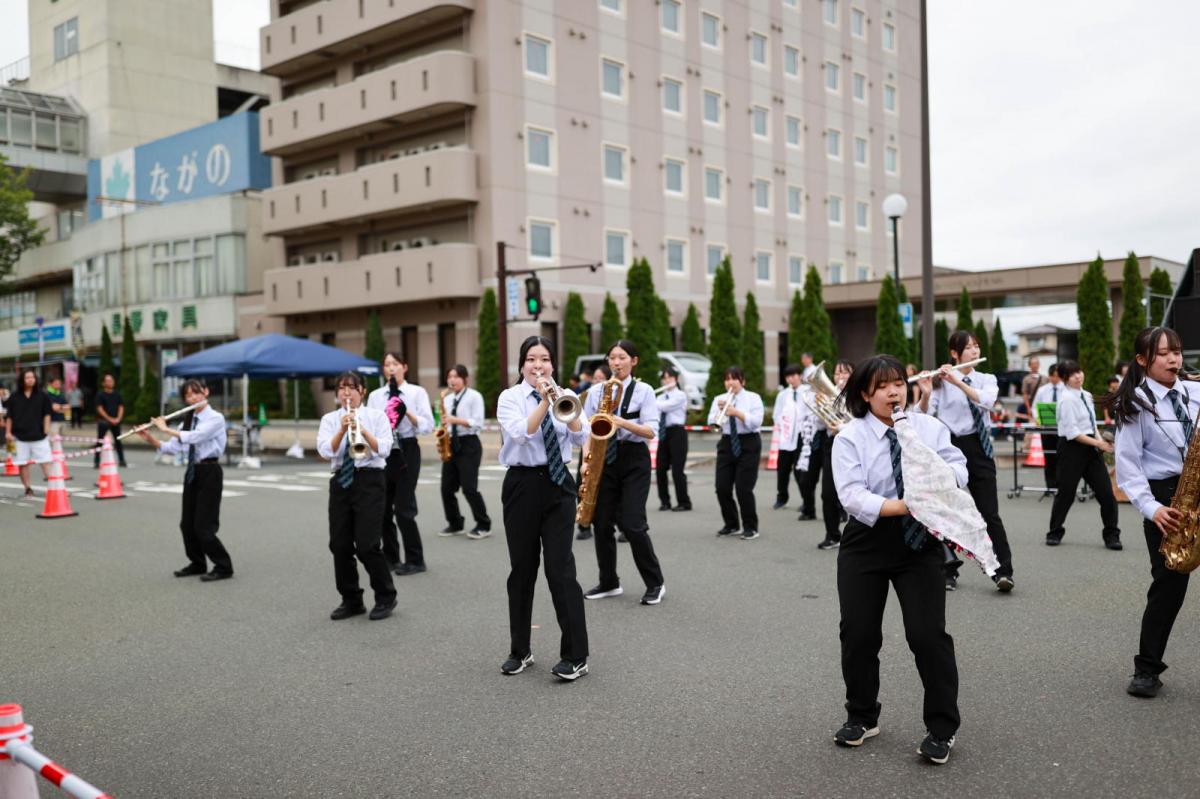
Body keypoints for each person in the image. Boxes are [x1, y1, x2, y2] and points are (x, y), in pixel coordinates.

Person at [831, 354, 966, 764]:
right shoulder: (849, 437)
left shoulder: (928, 427)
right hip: (867, 540)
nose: (894, 392)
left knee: (927, 636)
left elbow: (958, 468)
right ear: (864, 394)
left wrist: (938, 481)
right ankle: (861, 716)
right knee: (858, 634)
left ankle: (942, 728)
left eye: (899, 384)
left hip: (919, 541)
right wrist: (909, 503)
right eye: (883, 386)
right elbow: (852, 496)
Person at [1108, 327, 1199, 698]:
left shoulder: (1194, 391)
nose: (1174, 359)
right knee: (1169, 587)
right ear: (1143, 360)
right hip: (1168, 499)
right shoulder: (1135, 404)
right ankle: (1146, 668)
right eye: (1163, 353)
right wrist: (1153, 508)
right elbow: (1128, 467)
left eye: (1176, 351)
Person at [496, 335, 590, 681]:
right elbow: (521, 433)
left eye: (545, 359)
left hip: (558, 483)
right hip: (521, 485)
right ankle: (520, 651)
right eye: (532, 359)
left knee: (561, 570)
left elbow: (582, 437)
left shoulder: (567, 395)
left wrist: (565, 406)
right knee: (522, 571)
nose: (539, 365)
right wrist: (545, 401)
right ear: (522, 364)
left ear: (553, 363)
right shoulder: (510, 397)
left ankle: (576, 656)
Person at [916, 330, 1015, 592]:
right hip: (949, 448)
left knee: (989, 513)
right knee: (946, 510)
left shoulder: (986, 379)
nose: (974, 351)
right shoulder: (940, 382)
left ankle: (1002, 571)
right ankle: (948, 568)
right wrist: (925, 392)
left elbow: (987, 401)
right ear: (954, 353)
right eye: (968, 347)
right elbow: (922, 415)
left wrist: (958, 380)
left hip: (979, 447)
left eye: (976, 346)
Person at [582, 340, 666, 605]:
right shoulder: (596, 391)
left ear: (634, 361)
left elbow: (651, 431)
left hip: (634, 459)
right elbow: (586, 428)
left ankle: (655, 582)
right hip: (604, 458)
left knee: (632, 524)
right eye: (612, 358)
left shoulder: (644, 391)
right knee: (601, 522)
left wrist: (621, 422)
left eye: (622, 357)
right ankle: (609, 582)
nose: (616, 363)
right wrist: (586, 459)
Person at [315, 372, 398, 621]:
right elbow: (325, 451)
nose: (346, 393)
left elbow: (384, 449)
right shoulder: (330, 419)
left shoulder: (376, 416)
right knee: (339, 545)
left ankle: (386, 596)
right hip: (341, 480)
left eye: (351, 387)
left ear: (362, 391)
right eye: (341, 388)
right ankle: (351, 599)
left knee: (367, 545)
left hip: (370, 479)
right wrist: (342, 430)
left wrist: (362, 429)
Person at [136, 379, 234, 581]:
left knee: (203, 526)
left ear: (205, 392)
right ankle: (198, 563)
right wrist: (150, 438)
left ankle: (224, 566)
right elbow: (173, 448)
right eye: (188, 395)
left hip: (210, 471)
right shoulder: (187, 421)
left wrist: (164, 428)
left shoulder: (215, 418)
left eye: (196, 393)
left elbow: (196, 437)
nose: (193, 398)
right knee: (186, 524)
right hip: (192, 472)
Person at [367, 352, 434, 576]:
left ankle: (415, 559)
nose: (391, 368)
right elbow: (371, 424)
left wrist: (409, 414)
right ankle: (391, 557)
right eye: (387, 364)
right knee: (383, 508)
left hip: (407, 449)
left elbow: (428, 426)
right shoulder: (376, 396)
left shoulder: (416, 392)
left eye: (395, 364)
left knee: (404, 508)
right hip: (385, 449)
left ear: (404, 367)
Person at [1045, 361, 1120, 550]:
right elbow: (1073, 433)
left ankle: (1112, 535)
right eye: (1072, 374)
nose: (1078, 376)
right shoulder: (1066, 399)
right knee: (1066, 494)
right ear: (1064, 379)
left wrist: (1100, 441)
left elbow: (1091, 424)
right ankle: (1054, 532)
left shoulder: (1086, 395)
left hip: (1090, 447)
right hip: (1071, 448)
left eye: (1079, 371)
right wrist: (1099, 443)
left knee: (1106, 494)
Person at [708, 366, 765, 540]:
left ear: (742, 381)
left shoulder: (753, 398)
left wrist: (737, 412)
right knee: (722, 487)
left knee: (743, 488)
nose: (730, 382)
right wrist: (721, 412)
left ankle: (751, 527)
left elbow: (756, 422)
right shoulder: (719, 399)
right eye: (727, 379)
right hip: (726, 443)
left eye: (734, 378)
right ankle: (731, 524)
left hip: (749, 442)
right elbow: (711, 422)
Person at [438, 364, 492, 539]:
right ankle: (455, 523)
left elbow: (478, 422)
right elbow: (445, 422)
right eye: (449, 377)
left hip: (469, 444)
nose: (452, 380)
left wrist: (456, 420)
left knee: (469, 488)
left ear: (465, 378)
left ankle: (484, 524)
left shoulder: (474, 396)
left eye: (456, 376)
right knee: (446, 488)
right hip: (451, 443)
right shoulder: (447, 399)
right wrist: (443, 428)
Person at [818, 360, 854, 550]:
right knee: (827, 493)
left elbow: (859, 422)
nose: (840, 376)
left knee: (857, 492)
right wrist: (820, 406)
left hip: (854, 446)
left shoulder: (859, 395)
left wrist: (840, 427)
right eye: (837, 373)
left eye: (844, 372)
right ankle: (832, 534)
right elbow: (821, 422)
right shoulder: (828, 396)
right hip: (832, 444)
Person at [575, 363, 612, 541]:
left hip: (606, 443)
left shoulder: (611, 394)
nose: (597, 382)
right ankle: (584, 523)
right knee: (582, 483)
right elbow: (584, 422)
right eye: (595, 379)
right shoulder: (588, 394)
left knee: (605, 486)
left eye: (601, 379)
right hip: (588, 443)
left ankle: (611, 522)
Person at [4, 370, 53, 497]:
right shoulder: (14, 397)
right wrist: (8, 432)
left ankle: (54, 486)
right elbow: (9, 416)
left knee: (46, 462)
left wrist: (46, 429)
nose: (30, 379)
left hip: (39, 435)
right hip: (19, 437)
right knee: (23, 464)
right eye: (27, 377)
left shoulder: (42, 395)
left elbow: (47, 413)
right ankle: (28, 488)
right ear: (22, 380)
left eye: (32, 377)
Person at [655, 365, 691, 512]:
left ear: (676, 379)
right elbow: (655, 414)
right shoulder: (659, 397)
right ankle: (665, 502)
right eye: (664, 378)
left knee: (677, 470)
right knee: (660, 469)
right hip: (663, 433)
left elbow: (666, 407)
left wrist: (649, 400)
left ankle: (684, 502)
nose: (667, 381)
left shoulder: (680, 395)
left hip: (677, 433)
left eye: (670, 377)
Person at [771, 365, 806, 511]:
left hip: (801, 436)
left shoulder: (807, 392)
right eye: (788, 376)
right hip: (785, 436)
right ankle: (782, 498)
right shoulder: (783, 395)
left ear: (800, 376)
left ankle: (806, 500)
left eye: (794, 375)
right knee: (783, 470)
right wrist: (784, 424)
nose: (791, 379)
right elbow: (776, 414)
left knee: (800, 471)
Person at [1032, 364, 1063, 490]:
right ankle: (1050, 486)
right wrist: (1037, 418)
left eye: (1058, 376)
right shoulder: (1042, 390)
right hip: (1046, 428)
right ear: (1049, 376)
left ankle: (1061, 486)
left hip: (1062, 429)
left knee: (1062, 458)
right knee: (1049, 457)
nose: (1055, 378)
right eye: (1053, 376)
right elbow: (1035, 407)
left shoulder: (1066, 389)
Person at [94, 374, 127, 469]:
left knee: (118, 441)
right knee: (100, 441)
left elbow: (121, 406)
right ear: (103, 383)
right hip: (103, 421)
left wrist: (118, 418)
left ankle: (121, 460)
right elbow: (99, 408)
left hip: (116, 421)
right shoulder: (100, 395)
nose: (110, 383)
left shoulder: (117, 394)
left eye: (111, 381)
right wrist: (109, 419)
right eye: (108, 381)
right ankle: (96, 461)